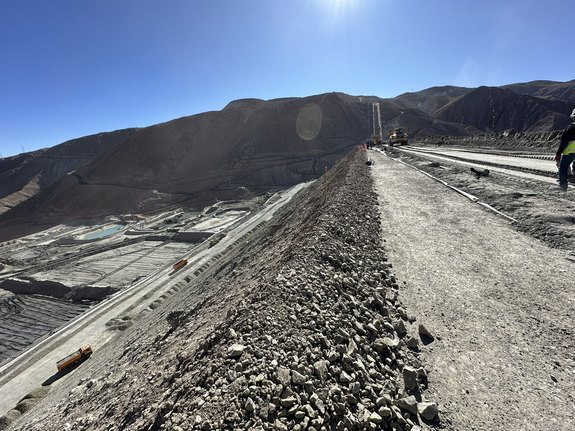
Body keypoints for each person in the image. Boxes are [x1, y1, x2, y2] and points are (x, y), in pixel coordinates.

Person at [555, 108, 575, 191]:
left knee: (563, 168)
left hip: (569, 152)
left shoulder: (569, 129)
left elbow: (563, 142)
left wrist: (558, 153)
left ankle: (563, 186)